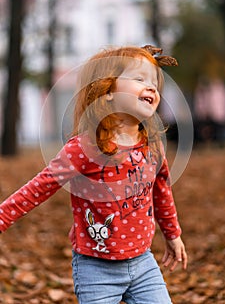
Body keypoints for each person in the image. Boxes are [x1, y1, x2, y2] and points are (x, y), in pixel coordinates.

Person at [0, 45, 187, 304]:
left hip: (144, 262)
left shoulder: (152, 145)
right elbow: (38, 188)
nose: (152, 87)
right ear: (108, 91)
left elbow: (162, 190)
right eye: (139, 78)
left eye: (154, 81)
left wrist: (172, 234)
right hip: (96, 268)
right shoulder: (84, 148)